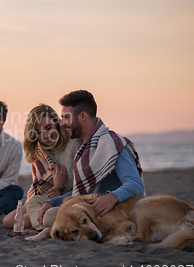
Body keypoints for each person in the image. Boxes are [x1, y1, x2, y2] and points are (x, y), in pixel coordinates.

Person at [37, 90, 145, 228]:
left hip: (117, 211)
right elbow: (81, 192)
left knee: (51, 218)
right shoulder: (85, 150)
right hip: (93, 208)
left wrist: (111, 198)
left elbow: (136, 184)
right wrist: (52, 202)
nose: (62, 124)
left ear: (82, 116)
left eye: (66, 117)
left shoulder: (111, 144)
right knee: (50, 212)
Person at [2, 104, 82, 232]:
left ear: (57, 123)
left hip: (67, 198)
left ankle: (39, 228)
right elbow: (39, 184)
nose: (45, 135)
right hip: (45, 195)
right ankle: (39, 222)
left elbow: (83, 186)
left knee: (29, 220)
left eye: (48, 128)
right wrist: (53, 190)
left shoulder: (73, 145)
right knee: (8, 221)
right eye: (38, 132)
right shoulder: (39, 150)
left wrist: (58, 189)